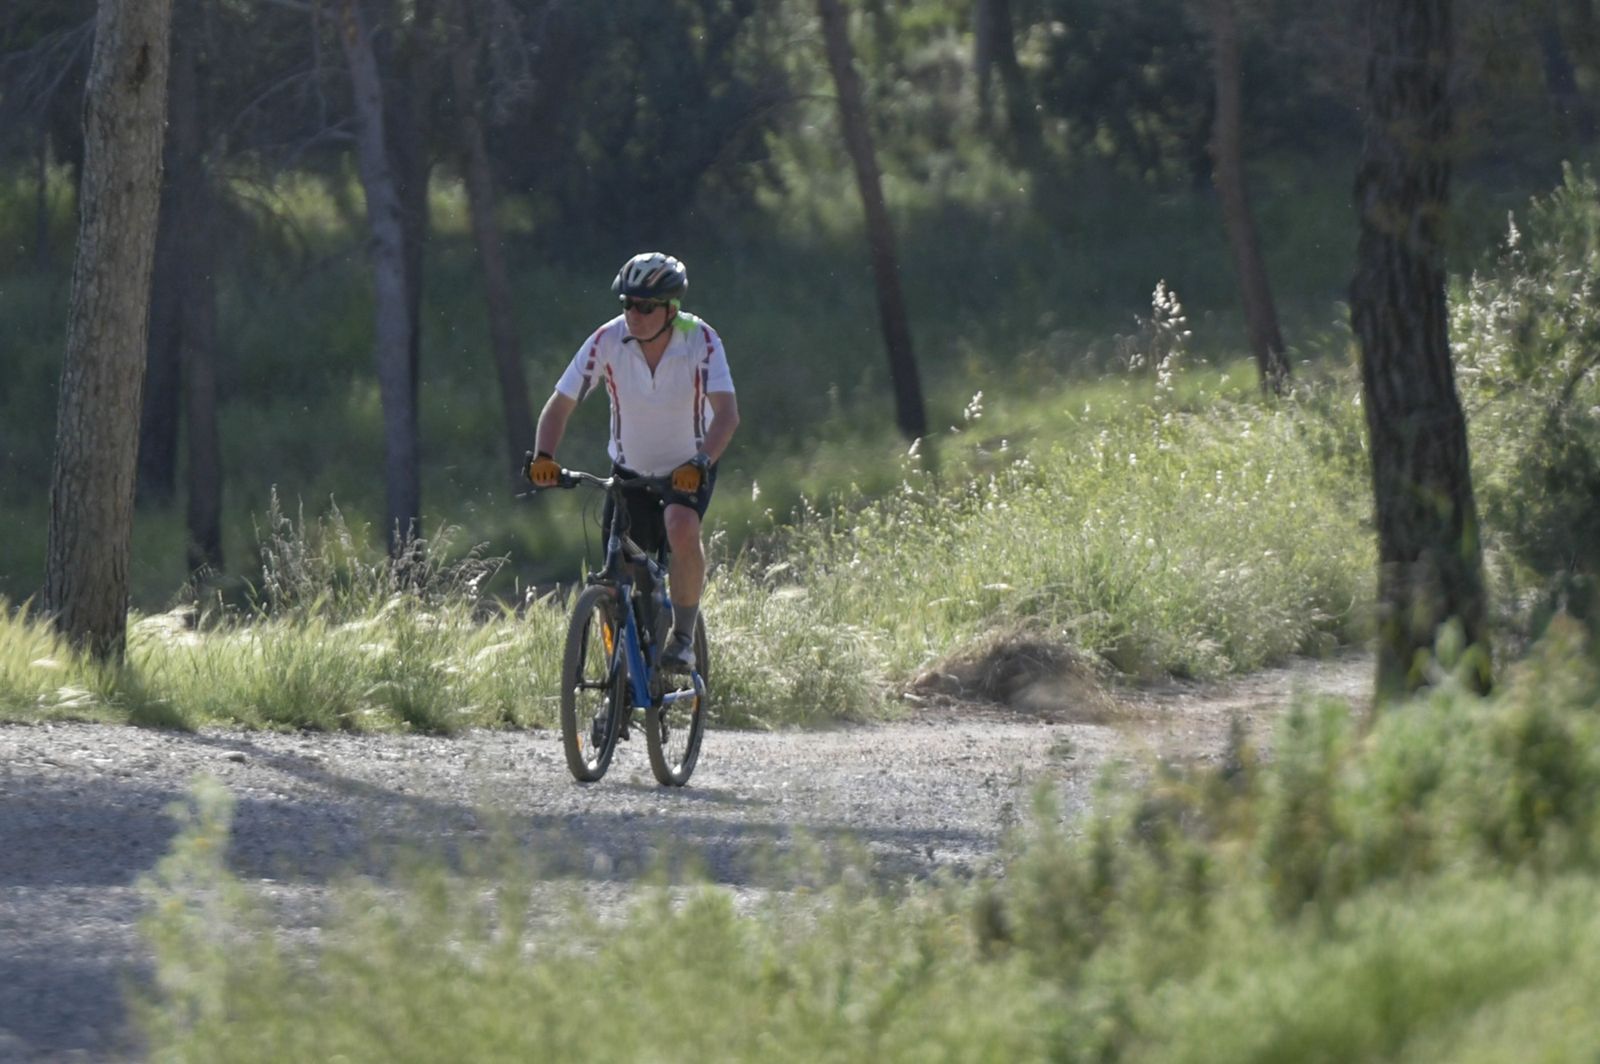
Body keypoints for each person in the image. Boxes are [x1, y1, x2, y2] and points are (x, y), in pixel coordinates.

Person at [525, 252, 739, 673]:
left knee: (680, 525)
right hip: (629, 472)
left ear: (671, 309)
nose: (634, 315)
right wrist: (544, 455)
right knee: (616, 574)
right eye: (628, 303)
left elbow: (727, 416)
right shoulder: (607, 340)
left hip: (689, 467)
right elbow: (561, 404)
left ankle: (682, 638)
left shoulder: (700, 339)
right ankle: (620, 676)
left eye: (645, 306)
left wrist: (700, 462)